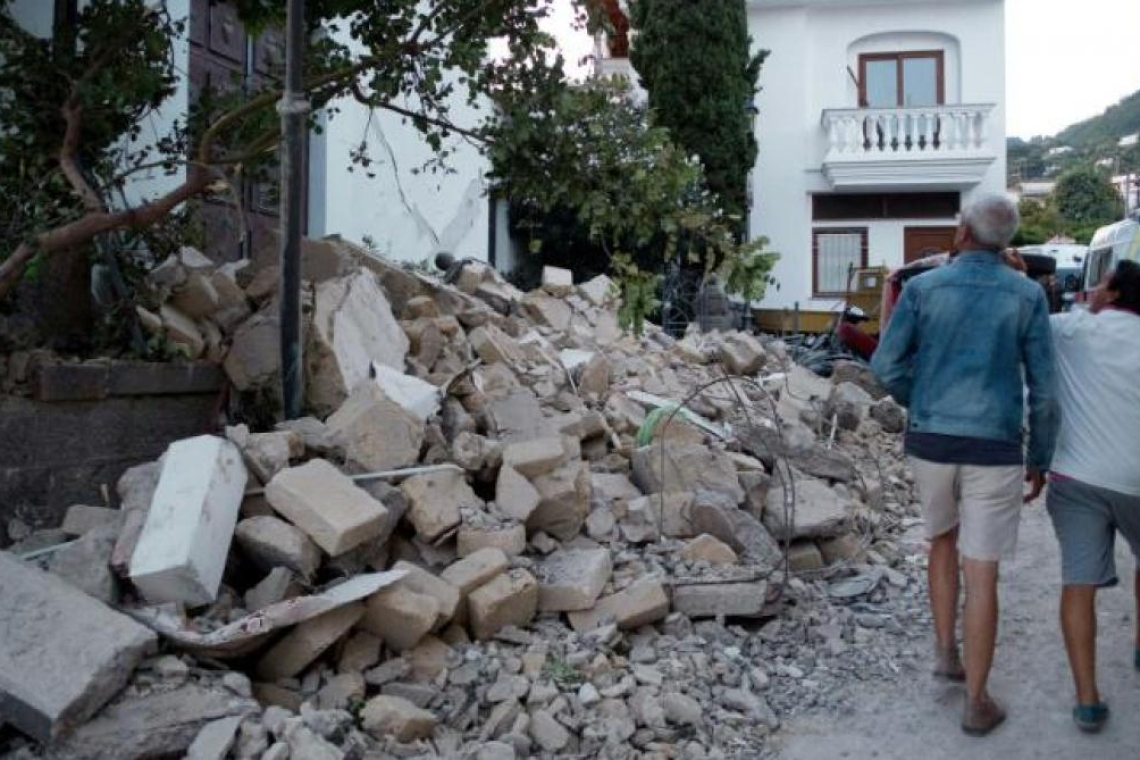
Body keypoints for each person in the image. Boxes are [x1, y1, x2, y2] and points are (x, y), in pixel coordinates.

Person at [871, 194, 1057, 736]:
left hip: (931, 441)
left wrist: (921, 399)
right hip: (994, 447)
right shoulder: (1027, 295)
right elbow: (1045, 390)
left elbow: (885, 365)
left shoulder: (924, 289)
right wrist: (1040, 456)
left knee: (942, 542)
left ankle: (946, 653)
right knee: (983, 570)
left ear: (962, 233)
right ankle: (976, 700)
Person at [1045, 260, 1140, 733]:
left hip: (1076, 477)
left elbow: (1026, 318)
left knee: (1078, 583)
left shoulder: (1074, 331)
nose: (1095, 288)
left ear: (1115, 295)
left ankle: (1087, 699)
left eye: (1103, 282)